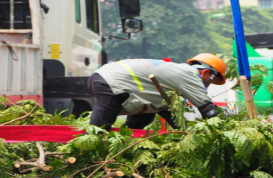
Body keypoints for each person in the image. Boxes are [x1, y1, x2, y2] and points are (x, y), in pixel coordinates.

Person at [88, 54, 226, 130]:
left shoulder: (175, 76)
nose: (208, 86)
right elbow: (207, 109)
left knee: (149, 111)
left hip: (106, 78)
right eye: (211, 82)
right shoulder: (190, 75)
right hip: (112, 82)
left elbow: (169, 111)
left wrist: (185, 131)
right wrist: (221, 130)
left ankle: (128, 137)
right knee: (99, 129)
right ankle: (86, 156)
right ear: (205, 72)